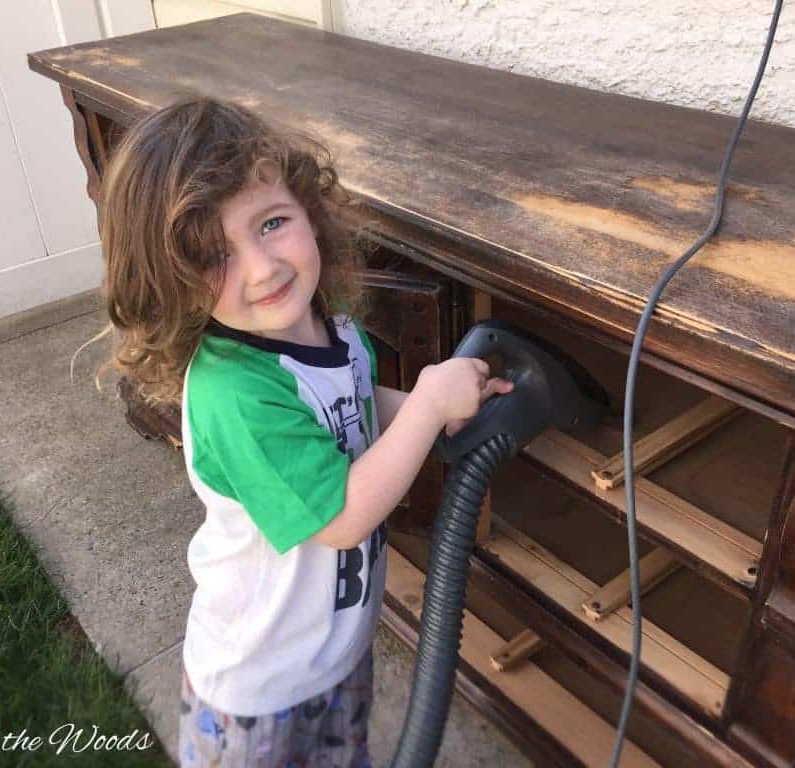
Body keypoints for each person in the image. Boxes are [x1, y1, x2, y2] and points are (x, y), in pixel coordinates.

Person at [87, 97, 513, 767]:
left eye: (272, 223)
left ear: (310, 211)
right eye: (213, 255)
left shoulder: (327, 328)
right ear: (170, 282)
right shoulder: (233, 394)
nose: (262, 267)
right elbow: (340, 516)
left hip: (332, 653)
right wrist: (430, 406)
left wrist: (420, 405)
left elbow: (354, 402)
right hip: (258, 693)